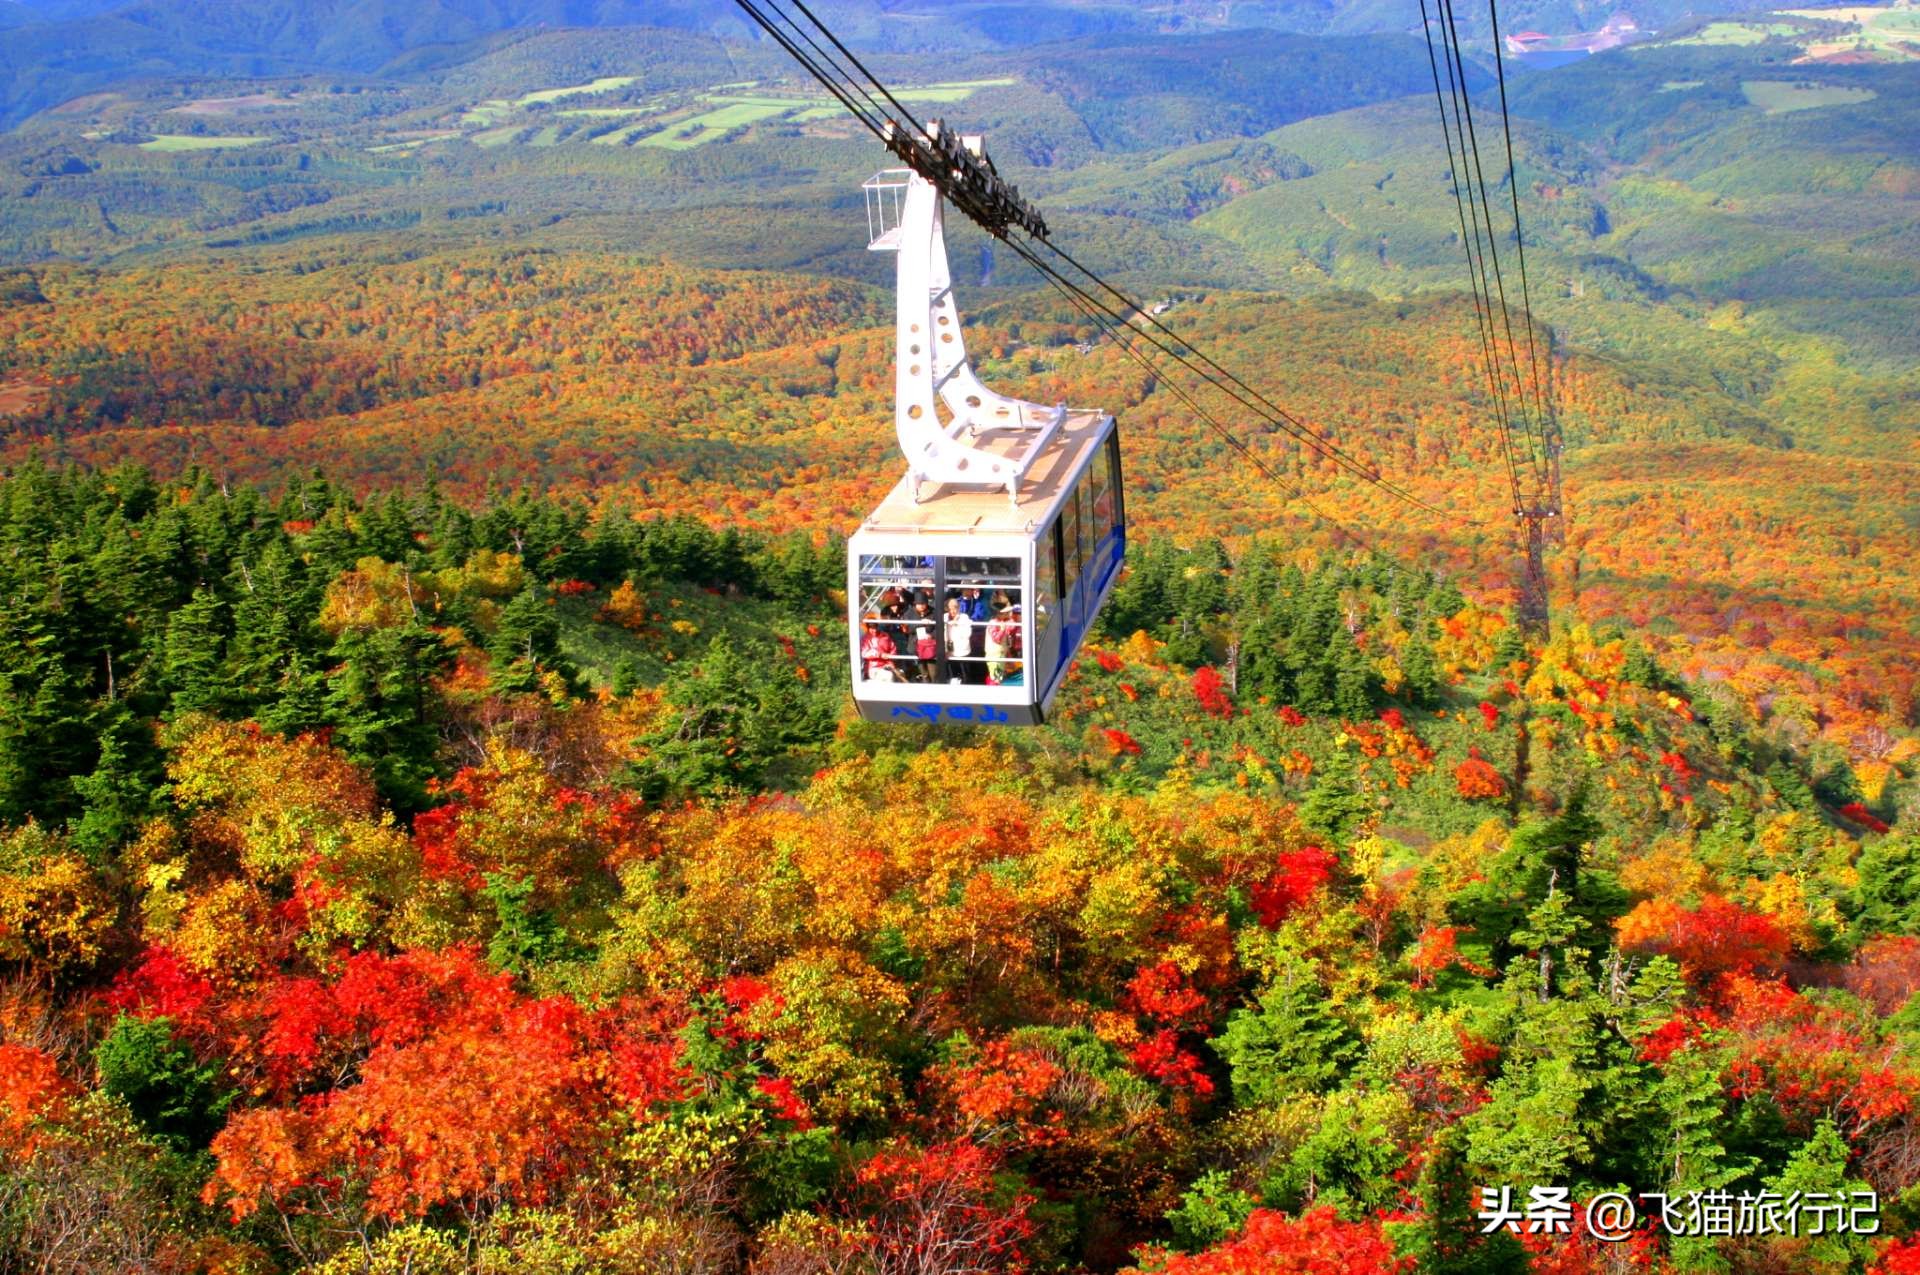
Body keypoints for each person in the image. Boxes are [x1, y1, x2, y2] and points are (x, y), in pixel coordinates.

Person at [985, 602, 1018, 685]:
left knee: (1000, 677)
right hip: (994, 656)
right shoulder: (993, 623)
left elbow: (1012, 627)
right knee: (996, 678)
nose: (1007, 614)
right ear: (998, 613)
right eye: (1005, 613)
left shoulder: (1002, 622)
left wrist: (1008, 656)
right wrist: (1002, 630)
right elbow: (997, 639)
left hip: (1001, 654)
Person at [944, 596, 973, 684]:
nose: (953, 611)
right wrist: (948, 624)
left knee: (965, 676)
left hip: (962, 652)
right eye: (950, 608)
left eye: (955, 608)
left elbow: (967, 634)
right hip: (949, 652)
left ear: (959, 608)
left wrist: (956, 624)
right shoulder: (944, 617)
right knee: (952, 677)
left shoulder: (964, 617)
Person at [910, 598, 939, 681]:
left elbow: (939, 628)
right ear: (915, 604)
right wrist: (920, 623)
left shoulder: (933, 612)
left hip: (930, 647)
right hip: (917, 647)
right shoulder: (910, 613)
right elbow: (908, 629)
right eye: (919, 604)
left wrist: (931, 635)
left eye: (923, 603)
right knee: (923, 674)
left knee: (933, 673)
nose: (921, 606)